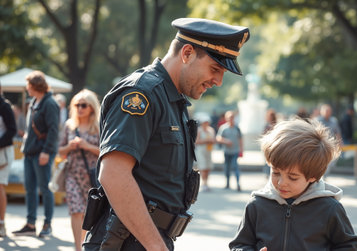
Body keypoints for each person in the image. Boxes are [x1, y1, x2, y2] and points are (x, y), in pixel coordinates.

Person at [82, 18, 250, 251]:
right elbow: (113, 175)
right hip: (126, 241)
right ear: (187, 53)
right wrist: (156, 246)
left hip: (146, 240)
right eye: (215, 69)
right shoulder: (141, 94)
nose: (219, 82)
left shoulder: (172, 100)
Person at [229, 119, 357, 250]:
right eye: (275, 172)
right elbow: (239, 244)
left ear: (313, 177)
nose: (281, 183)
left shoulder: (329, 208)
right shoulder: (257, 205)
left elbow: (350, 245)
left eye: (292, 177)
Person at [13, 71, 60, 237]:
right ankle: (31, 224)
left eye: (28, 85)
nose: (26, 88)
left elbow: (54, 130)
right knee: (30, 189)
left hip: (42, 153)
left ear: (35, 86)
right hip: (30, 152)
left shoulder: (50, 103)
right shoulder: (34, 101)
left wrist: (46, 152)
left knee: (45, 189)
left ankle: (47, 223)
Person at [58, 89, 100, 251]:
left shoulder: (98, 126)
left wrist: (86, 146)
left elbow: (106, 151)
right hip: (73, 174)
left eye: (84, 105)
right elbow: (60, 151)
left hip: (93, 176)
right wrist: (69, 146)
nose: (80, 108)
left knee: (90, 214)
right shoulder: (69, 125)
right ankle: (77, 247)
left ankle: (86, 244)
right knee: (76, 211)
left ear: (92, 107)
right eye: (77, 105)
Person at [0, 85, 17, 237]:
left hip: (3, 153)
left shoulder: (4, 106)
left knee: (0, 186)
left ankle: (2, 223)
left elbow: (12, 130)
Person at [216, 110, 243, 191]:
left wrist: (241, 150)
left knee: (235, 167)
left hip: (235, 151)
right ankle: (227, 183)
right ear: (226, 118)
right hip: (226, 151)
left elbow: (240, 139)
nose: (231, 119)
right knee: (227, 168)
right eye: (229, 117)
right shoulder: (223, 128)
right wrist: (226, 141)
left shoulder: (237, 128)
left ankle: (238, 183)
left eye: (232, 117)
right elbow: (218, 138)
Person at [315, 104, 342, 176]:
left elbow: (337, 132)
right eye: (326, 111)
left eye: (329, 111)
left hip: (331, 145)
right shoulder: (317, 120)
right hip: (320, 145)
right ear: (322, 112)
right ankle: (321, 175)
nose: (328, 112)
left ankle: (323, 174)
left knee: (330, 162)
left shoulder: (334, 121)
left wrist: (340, 143)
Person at [194, 115, 215, 192]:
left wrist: (210, 141)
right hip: (201, 151)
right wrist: (206, 141)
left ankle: (206, 182)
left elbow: (213, 140)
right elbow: (196, 141)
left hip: (208, 150)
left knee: (208, 167)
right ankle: (204, 183)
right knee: (203, 167)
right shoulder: (199, 130)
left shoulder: (211, 130)